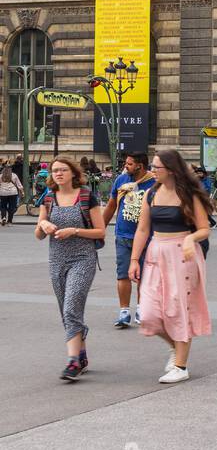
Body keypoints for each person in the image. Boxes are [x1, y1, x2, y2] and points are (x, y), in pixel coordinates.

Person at [129, 149, 212, 384]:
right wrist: (135, 260)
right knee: (148, 314)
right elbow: (143, 229)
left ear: (172, 170)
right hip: (156, 252)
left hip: (182, 256)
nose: (153, 171)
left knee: (179, 309)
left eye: (157, 168)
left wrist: (190, 238)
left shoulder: (189, 195)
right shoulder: (151, 193)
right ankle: (176, 347)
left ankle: (181, 366)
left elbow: (204, 228)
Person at [35, 156, 105, 381]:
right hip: (56, 260)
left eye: (63, 170)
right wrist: (43, 225)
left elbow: (100, 231)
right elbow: (38, 234)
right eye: (55, 170)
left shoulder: (86, 196)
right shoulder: (48, 198)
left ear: (73, 173)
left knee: (71, 307)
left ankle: (73, 362)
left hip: (82, 259)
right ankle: (81, 355)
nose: (58, 174)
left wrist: (74, 231)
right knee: (65, 308)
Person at [101, 152, 155, 328]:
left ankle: (142, 309)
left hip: (148, 237)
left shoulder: (154, 183)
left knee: (144, 276)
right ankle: (124, 311)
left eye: (130, 164)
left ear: (140, 165)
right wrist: (100, 229)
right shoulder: (121, 181)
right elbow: (111, 206)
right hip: (123, 234)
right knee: (123, 274)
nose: (126, 166)